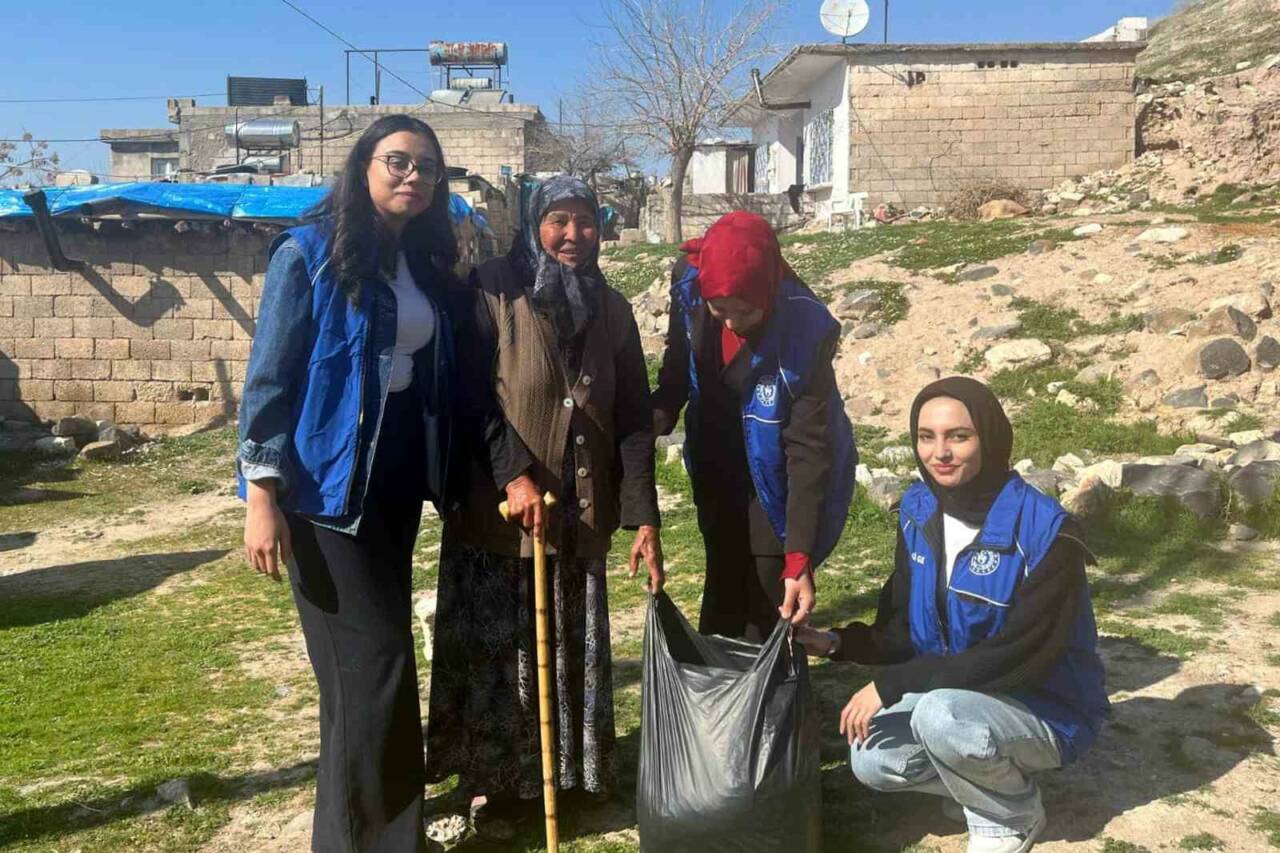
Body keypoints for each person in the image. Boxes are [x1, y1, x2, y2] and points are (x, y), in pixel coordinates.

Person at [238, 114, 537, 852]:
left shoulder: (427, 268)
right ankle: (383, 839)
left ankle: (359, 839)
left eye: (427, 168)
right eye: (397, 161)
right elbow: (270, 380)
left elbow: (460, 389)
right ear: (363, 167)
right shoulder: (308, 254)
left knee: (362, 681)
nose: (413, 176)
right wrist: (261, 496)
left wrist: (508, 470)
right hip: (323, 495)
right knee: (375, 670)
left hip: (396, 484)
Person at [425, 175, 663, 835]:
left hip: (578, 513)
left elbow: (635, 419)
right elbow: (472, 396)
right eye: (558, 220)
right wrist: (514, 475)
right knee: (507, 654)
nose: (572, 235)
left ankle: (570, 778)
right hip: (499, 516)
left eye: (585, 222)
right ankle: (499, 787)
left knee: (571, 644)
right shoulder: (493, 289)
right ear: (534, 223)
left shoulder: (612, 308)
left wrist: (643, 513)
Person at [796, 377, 1110, 853]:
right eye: (927, 436)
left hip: (1045, 708)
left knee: (941, 717)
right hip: (960, 698)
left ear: (990, 438)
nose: (939, 452)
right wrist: (835, 643)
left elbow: (1019, 656)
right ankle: (980, 784)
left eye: (958, 436)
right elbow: (901, 628)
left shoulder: (1050, 533)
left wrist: (891, 684)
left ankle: (1011, 815)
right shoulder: (919, 510)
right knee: (872, 759)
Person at [651, 211, 857, 640]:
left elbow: (808, 447)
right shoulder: (690, 281)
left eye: (743, 311)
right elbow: (678, 361)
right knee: (723, 575)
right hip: (715, 458)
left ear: (767, 291)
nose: (729, 323)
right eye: (718, 308)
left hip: (776, 467)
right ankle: (720, 696)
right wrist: (652, 419)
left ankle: (772, 699)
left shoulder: (805, 329)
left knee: (768, 589)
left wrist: (798, 554)